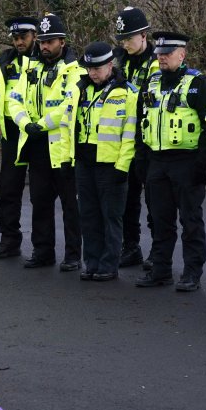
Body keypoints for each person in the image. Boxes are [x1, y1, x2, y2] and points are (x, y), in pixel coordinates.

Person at [135, 32, 206, 291]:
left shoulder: (197, 83)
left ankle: (192, 273)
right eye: (159, 54)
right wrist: (142, 161)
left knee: (190, 221)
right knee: (160, 220)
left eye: (167, 54)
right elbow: (141, 123)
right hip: (157, 161)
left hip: (186, 161)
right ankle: (160, 270)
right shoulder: (152, 82)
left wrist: (202, 166)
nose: (161, 58)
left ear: (182, 55)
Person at [8, 13, 83, 271]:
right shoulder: (30, 67)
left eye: (50, 42)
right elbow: (13, 99)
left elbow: (69, 105)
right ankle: (43, 251)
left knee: (70, 205)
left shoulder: (75, 70)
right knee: (40, 201)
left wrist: (41, 124)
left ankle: (73, 254)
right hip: (36, 144)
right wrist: (24, 123)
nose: (44, 46)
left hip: (61, 146)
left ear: (62, 42)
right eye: (42, 41)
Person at [67, 42, 138, 281]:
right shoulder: (81, 89)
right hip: (85, 164)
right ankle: (92, 262)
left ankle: (109, 264)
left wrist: (123, 166)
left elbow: (130, 134)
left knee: (111, 217)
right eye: (89, 68)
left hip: (111, 166)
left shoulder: (127, 92)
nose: (93, 72)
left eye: (97, 67)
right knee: (88, 216)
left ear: (110, 64)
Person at [0, 17, 39, 259]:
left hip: (39, 131)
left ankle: (44, 247)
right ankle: (9, 239)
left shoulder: (44, 58)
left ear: (35, 35)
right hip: (12, 131)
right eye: (16, 38)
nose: (19, 41)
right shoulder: (5, 60)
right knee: (8, 186)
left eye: (24, 37)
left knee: (43, 191)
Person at [114, 7, 158, 269]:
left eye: (130, 37)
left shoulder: (157, 60)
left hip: (149, 138)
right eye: (122, 38)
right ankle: (130, 247)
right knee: (127, 199)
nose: (125, 43)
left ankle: (157, 251)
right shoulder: (119, 57)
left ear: (143, 35)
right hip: (124, 138)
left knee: (155, 200)